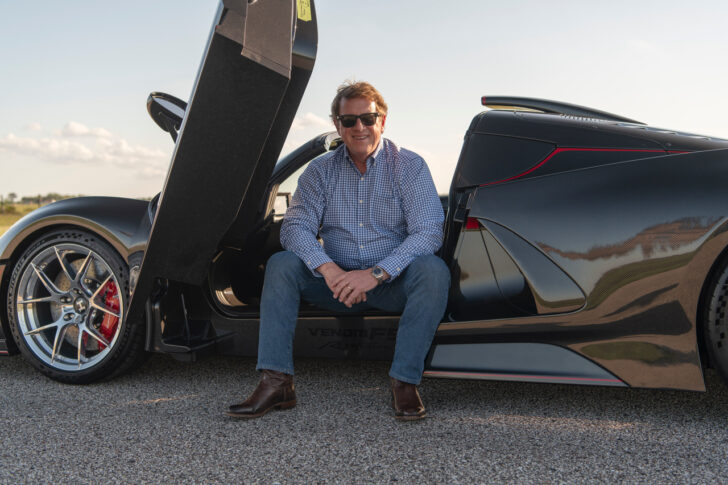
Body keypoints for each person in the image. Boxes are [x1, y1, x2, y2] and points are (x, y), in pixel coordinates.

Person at [226, 81, 450, 421]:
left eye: (367, 118)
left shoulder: (409, 166)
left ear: (382, 120)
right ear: (337, 125)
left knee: (433, 272)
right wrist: (330, 271)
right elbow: (295, 228)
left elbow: (429, 232)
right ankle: (277, 382)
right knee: (282, 264)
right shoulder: (319, 171)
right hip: (334, 283)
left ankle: (405, 381)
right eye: (349, 121)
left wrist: (374, 275)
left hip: (391, 283)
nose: (359, 127)